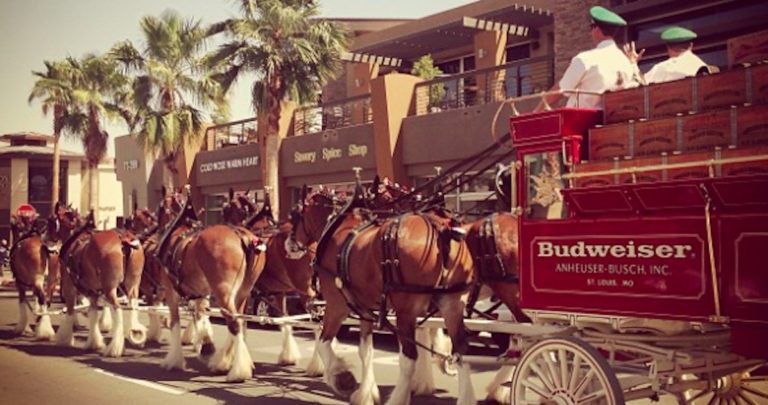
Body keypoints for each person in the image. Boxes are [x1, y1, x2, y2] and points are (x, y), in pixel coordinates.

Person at [535, 6, 637, 111]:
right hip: (610, 120)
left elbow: (561, 89)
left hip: (580, 122)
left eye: (591, 27)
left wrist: (536, 111)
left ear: (597, 29)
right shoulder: (626, 63)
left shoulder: (586, 59)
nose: (590, 32)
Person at [624, 26, 707, 85]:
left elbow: (640, 87)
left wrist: (633, 64)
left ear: (668, 47)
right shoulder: (701, 65)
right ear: (691, 45)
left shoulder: (663, 68)